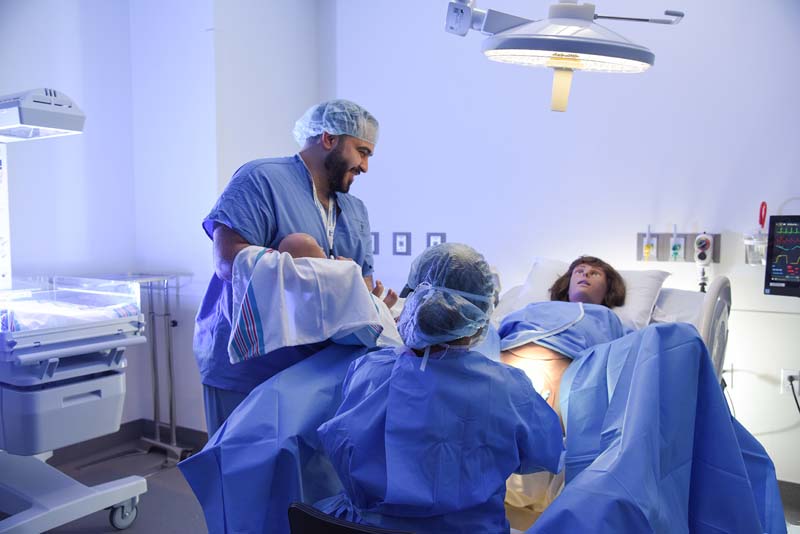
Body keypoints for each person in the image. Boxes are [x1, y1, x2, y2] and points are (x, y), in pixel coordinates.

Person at [315, 243, 564, 534]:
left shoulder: (367, 370)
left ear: (415, 300)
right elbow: (541, 456)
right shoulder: (509, 388)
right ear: (480, 315)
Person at [194, 99, 382, 436]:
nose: (366, 167)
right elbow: (227, 262)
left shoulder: (355, 211)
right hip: (249, 368)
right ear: (329, 139)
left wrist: (371, 297)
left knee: (305, 484)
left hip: (317, 373)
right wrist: (314, 266)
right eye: (362, 151)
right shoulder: (261, 179)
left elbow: (362, 282)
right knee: (241, 474)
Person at [498, 256, 626, 529]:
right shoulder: (536, 308)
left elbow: (618, 359)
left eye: (594, 273)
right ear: (566, 283)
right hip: (510, 357)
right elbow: (503, 330)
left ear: (609, 288)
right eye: (579, 271)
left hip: (564, 369)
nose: (584, 275)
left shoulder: (609, 319)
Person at [278, 232, 397, 307]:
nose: (323, 249)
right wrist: (349, 274)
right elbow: (349, 321)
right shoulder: (319, 292)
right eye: (320, 250)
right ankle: (379, 309)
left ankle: (375, 306)